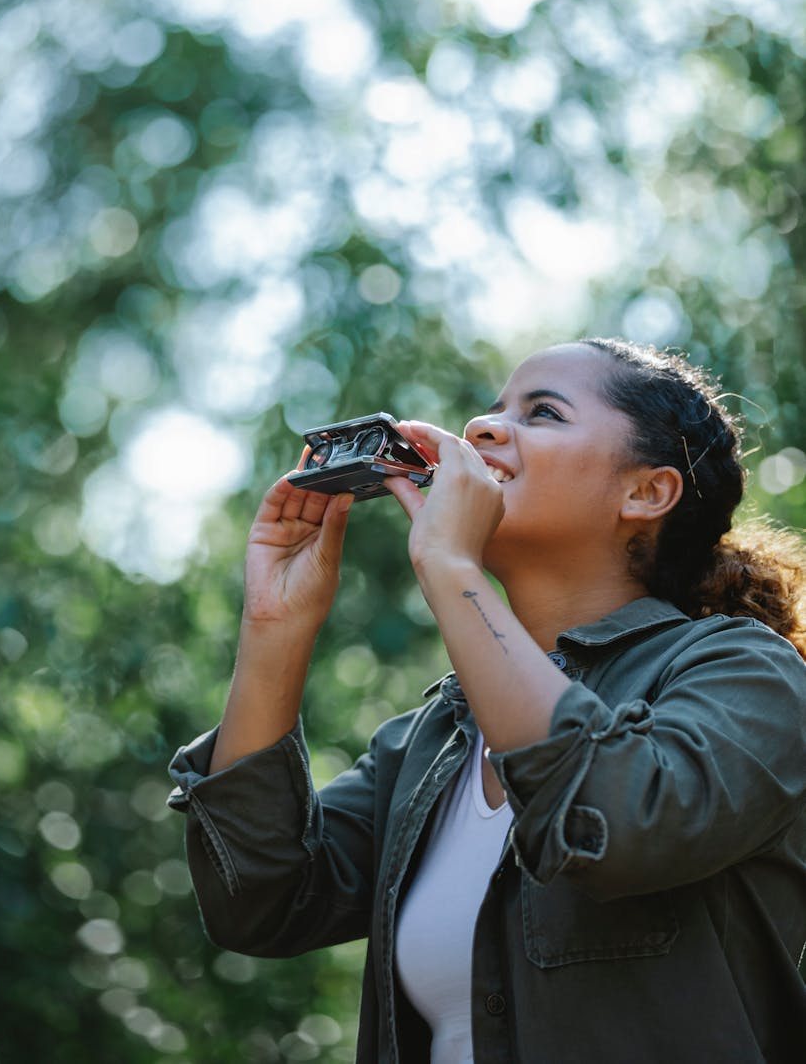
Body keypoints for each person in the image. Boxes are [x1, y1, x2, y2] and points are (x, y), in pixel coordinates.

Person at [168, 338, 806, 1063]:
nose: (481, 428)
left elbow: (621, 825)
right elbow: (260, 903)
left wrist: (448, 565)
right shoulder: (427, 742)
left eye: (542, 413)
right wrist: (273, 628)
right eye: (493, 409)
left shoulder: (743, 670)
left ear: (645, 493)